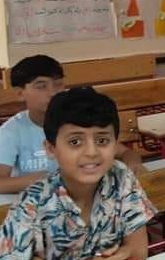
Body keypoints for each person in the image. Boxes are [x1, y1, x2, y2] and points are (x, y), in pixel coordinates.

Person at [0, 87, 156, 260]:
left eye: (102, 140)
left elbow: (138, 251)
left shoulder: (121, 177)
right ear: (51, 149)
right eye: (75, 142)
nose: (91, 152)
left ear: (115, 144)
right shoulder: (32, 205)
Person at [0, 55, 144, 194]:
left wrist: (132, 162)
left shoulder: (76, 118)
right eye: (41, 86)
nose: (52, 92)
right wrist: (41, 180)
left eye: (58, 84)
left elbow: (125, 152)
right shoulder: (11, 131)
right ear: (20, 93)